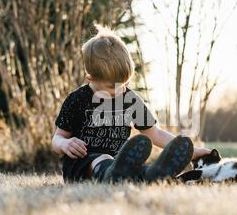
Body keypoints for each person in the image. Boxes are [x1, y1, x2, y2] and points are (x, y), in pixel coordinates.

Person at [51, 25, 210, 183]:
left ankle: (153, 175)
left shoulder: (130, 99)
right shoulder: (77, 99)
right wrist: (65, 143)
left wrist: (193, 152)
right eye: (111, 86)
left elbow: (155, 134)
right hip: (80, 165)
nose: (119, 89)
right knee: (104, 159)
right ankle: (114, 175)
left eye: (124, 83)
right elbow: (56, 139)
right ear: (90, 77)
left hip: (120, 163)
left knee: (131, 167)